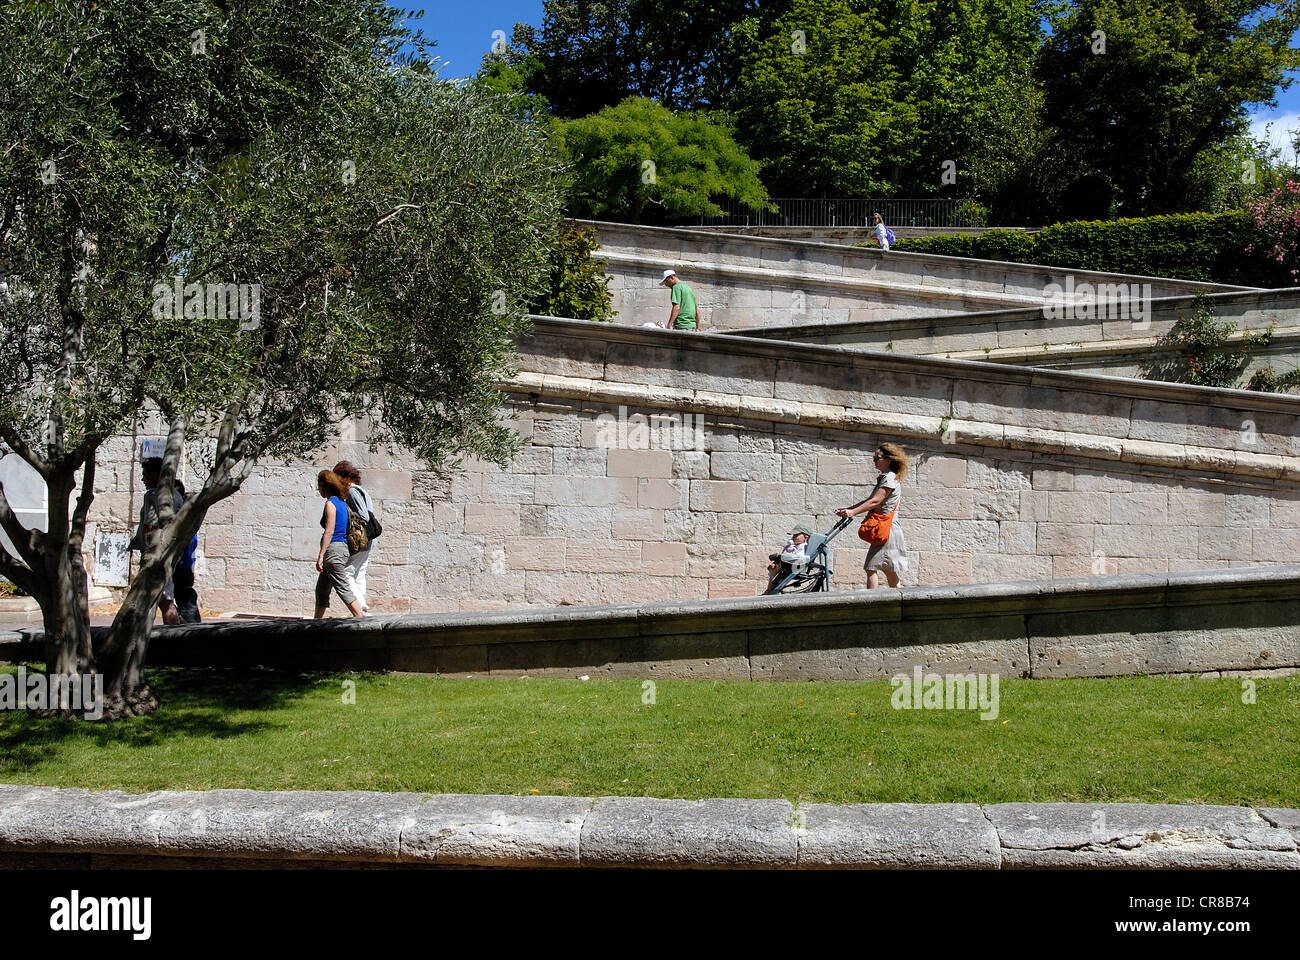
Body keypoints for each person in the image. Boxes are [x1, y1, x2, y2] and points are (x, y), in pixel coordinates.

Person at [835, 442, 910, 588]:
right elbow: (870, 500)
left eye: (877, 458)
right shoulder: (887, 477)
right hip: (887, 528)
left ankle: (871, 605)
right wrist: (848, 509)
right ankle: (903, 601)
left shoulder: (889, 478)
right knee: (889, 571)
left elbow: (875, 501)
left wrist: (852, 512)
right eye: (874, 458)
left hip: (886, 529)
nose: (874, 461)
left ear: (888, 460)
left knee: (870, 568)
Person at [134, 456, 184, 625]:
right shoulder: (176, 495)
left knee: (160, 601)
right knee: (165, 598)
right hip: (170, 552)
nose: (143, 479)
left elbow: (150, 526)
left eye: (145, 474)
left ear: (156, 474)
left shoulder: (153, 495)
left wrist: (147, 554)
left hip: (156, 553)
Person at [314, 470, 364, 619]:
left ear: (324, 485)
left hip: (333, 549)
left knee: (342, 587)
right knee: (322, 588)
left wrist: (321, 555)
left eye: (318, 485)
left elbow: (329, 531)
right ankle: (316, 622)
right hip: (342, 549)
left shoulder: (330, 503)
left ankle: (360, 617)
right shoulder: (342, 503)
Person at [332, 460, 377, 614]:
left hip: (360, 536)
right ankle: (362, 608)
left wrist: (347, 515)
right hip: (369, 537)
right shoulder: (363, 491)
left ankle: (359, 606)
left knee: (346, 572)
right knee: (359, 573)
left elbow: (363, 515)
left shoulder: (351, 491)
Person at [765, 523, 813, 592]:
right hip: (790, 564)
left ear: (806, 537)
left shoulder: (804, 546)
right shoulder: (795, 546)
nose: (793, 537)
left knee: (774, 569)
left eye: (796, 535)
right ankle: (769, 590)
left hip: (795, 566)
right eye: (793, 535)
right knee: (772, 567)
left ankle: (769, 590)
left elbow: (799, 557)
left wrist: (786, 555)